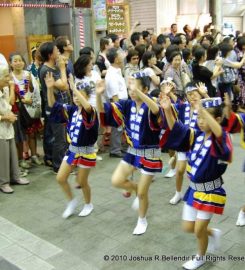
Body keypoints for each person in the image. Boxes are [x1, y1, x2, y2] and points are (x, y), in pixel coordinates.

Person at [160, 94, 232, 270]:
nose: (200, 121)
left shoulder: (222, 139)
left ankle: (200, 257)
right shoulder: (197, 136)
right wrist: (168, 110)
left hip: (211, 192)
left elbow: (219, 132)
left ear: (217, 119)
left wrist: (204, 109)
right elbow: (177, 129)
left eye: (204, 117)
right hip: (193, 190)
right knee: (188, 227)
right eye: (198, 117)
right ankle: (213, 233)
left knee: (199, 230)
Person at [96, 72, 163, 235]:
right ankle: (138, 190)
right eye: (130, 86)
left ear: (145, 89)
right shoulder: (126, 104)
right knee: (116, 180)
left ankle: (142, 219)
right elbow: (104, 111)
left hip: (150, 153)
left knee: (142, 194)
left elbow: (157, 110)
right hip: (133, 152)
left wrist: (140, 93)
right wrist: (99, 96)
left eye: (135, 86)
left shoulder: (150, 104)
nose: (131, 89)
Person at [45, 72, 99, 219]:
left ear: (86, 97)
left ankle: (88, 204)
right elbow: (53, 106)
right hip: (72, 151)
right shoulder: (71, 110)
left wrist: (74, 88)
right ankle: (72, 202)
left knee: (82, 182)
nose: (75, 98)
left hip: (86, 152)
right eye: (74, 95)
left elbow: (87, 107)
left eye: (79, 95)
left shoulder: (91, 111)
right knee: (60, 178)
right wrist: (50, 88)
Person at [163, 81, 209, 205]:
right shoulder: (183, 107)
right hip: (184, 143)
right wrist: (167, 94)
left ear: (199, 94)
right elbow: (170, 107)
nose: (192, 97)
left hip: (199, 144)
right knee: (180, 170)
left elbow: (217, 107)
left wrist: (205, 96)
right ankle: (178, 193)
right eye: (189, 94)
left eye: (194, 94)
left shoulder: (205, 107)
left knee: (196, 171)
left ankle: (197, 192)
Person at [39, 42, 70, 173]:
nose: (59, 52)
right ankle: (58, 167)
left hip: (61, 106)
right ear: (51, 54)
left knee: (61, 137)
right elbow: (63, 86)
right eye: (56, 50)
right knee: (60, 139)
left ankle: (58, 162)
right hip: (55, 108)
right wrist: (62, 69)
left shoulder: (53, 67)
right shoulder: (47, 70)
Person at [0, 65, 29, 194]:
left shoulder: (5, 89)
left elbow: (11, 103)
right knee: (3, 156)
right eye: (5, 76)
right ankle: (3, 182)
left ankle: (15, 177)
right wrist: (4, 117)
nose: (8, 78)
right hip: (1, 127)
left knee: (12, 152)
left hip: (8, 126)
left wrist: (11, 87)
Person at [105, 48, 128, 158]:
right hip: (117, 102)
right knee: (117, 126)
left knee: (120, 127)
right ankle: (115, 150)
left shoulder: (117, 71)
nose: (123, 56)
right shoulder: (112, 74)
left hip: (122, 101)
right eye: (121, 54)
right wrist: (119, 109)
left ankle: (118, 148)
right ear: (116, 59)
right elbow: (114, 94)